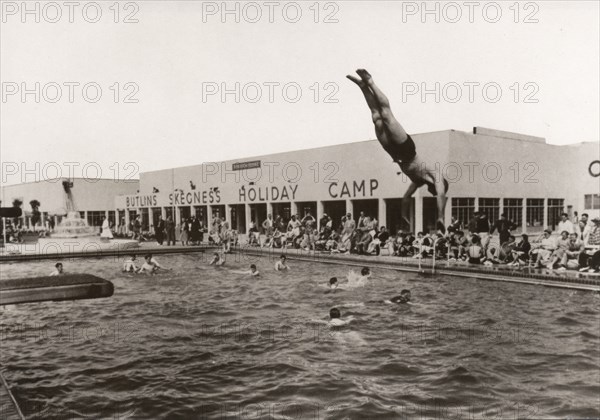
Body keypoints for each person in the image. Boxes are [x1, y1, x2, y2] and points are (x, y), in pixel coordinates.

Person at [347, 68, 448, 233]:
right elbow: (441, 195)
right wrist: (441, 217)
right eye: (435, 190)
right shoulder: (437, 176)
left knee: (377, 119)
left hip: (393, 153)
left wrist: (404, 215)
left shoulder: (418, 181)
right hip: (406, 148)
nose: (434, 191)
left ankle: (363, 87)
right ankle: (371, 82)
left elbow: (406, 198)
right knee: (386, 115)